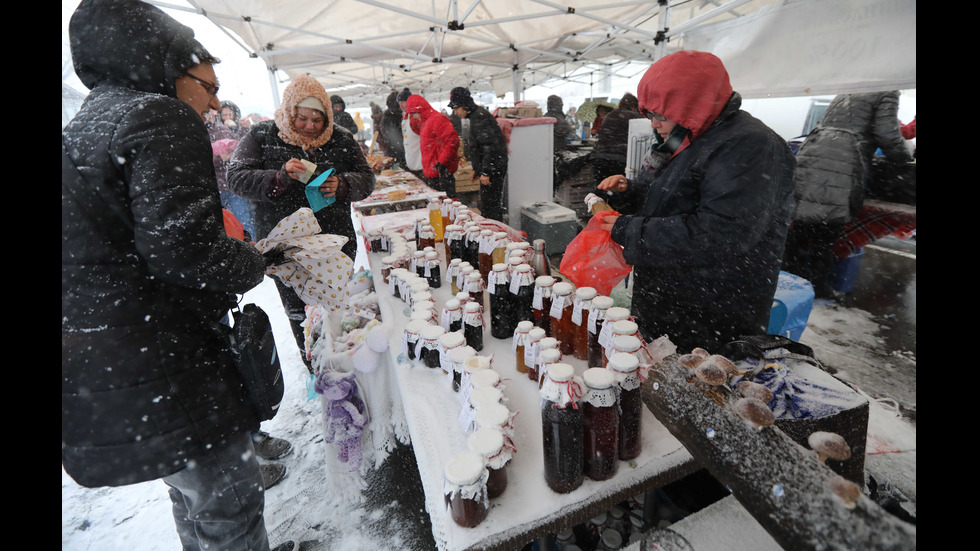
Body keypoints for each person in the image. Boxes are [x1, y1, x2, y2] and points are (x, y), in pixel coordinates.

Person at [62, 2, 308, 550]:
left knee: (193, 497)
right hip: (171, 360)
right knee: (231, 504)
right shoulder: (157, 115)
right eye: (208, 85)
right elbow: (186, 250)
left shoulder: (86, 125)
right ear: (166, 65)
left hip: (115, 361)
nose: (216, 102)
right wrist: (256, 260)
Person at [596, 50, 796, 353]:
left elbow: (723, 233)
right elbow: (667, 197)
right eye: (649, 114)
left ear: (691, 105)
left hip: (711, 309)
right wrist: (628, 193)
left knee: (698, 383)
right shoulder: (686, 135)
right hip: (671, 297)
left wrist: (631, 230)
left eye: (660, 115)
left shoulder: (751, 145)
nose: (653, 124)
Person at [227, 75, 376, 371]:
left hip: (335, 241)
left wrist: (343, 184)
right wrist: (278, 177)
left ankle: (344, 366)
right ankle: (315, 367)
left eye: (317, 119)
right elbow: (236, 178)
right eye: (302, 117)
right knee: (300, 313)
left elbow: (367, 179)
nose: (310, 125)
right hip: (286, 248)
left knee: (336, 305)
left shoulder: (341, 138)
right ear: (289, 111)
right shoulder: (261, 135)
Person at [782, 91, 914, 298]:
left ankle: (786, 286)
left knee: (801, 225)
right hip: (844, 157)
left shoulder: (854, 87)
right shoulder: (888, 89)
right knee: (826, 231)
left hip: (815, 151)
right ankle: (815, 289)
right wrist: (904, 157)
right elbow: (886, 133)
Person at [448, 86, 509, 221]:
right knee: (487, 204)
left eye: (456, 108)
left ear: (464, 105)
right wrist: (477, 170)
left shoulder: (480, 117)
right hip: (492, 167)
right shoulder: (475, 116)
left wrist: (486, 172)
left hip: (494, 168)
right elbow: (480, 146)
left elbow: (489, 147)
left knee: (490, 206)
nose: (455, 112)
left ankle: (495, 234)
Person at [405, 93, 460, 198]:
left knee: (447, 205)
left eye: (413, 114)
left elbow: (452, 140)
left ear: (420, 110)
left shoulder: (436, 119)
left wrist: (442, 162)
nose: (414, 117)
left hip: (441, 173)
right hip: (434, 172)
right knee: (439, 206)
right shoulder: (426, 121)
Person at [590, 92, 645, 188]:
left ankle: (598, 201)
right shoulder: (635, 117)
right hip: (618, 159)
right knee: (616, 190)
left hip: (598, 157)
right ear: (633, 106)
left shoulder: (609, 115)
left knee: (601, 188)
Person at [398, 87, 427, 181]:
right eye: (400, 102)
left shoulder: (416, 118)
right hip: (412, 163)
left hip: (421, 165)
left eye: (404, 102)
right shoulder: (405, 118)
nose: (401, 105)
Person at [379, 90, 406, 166]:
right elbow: (392, 136)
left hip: (395, 151)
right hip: (397, 152)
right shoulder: (391, 117)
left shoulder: (389, 116)